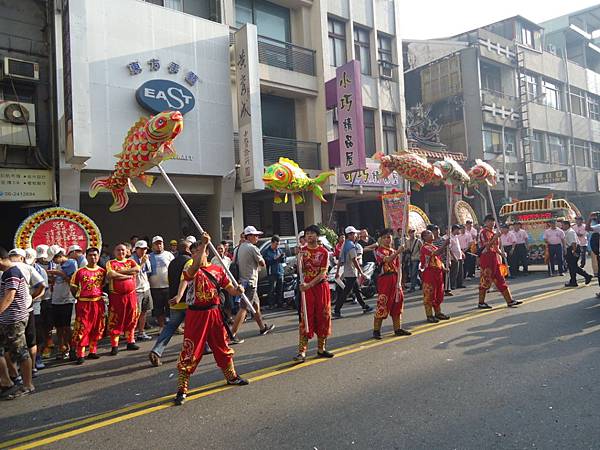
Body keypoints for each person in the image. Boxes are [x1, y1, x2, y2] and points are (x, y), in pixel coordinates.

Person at [173, 232, 248, 406]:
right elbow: (194, 267)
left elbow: (230, 289)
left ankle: (231, 376)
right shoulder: (189, 269)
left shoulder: (218, 269)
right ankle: (182, 388)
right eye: (194, 252)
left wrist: (239, 290)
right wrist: (204, 245)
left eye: (200, 251)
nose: (197, 254)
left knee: (222, 345)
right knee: (191, 350)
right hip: (195, 315)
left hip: (214, 313)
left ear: (208, 253)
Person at [293, 225, 333, 361]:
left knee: (323, 316)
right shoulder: (302, 251)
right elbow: (299, 269)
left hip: (320, 288)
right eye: (307, 234)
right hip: (306, 291)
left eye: (312, 233)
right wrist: (297, 256)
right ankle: (301, 352)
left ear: (317, 236)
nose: (309, 236)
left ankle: (321, 349)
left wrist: (309, 284)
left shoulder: (324, 252)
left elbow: (323, 273)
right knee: (306, 319)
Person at [149, 240, 192, 367]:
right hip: (187, 300)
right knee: (195, 327)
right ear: (189, 250)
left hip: (174, 301)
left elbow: (169, 280)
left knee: (170, 327)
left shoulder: (172, 262)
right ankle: (196, 350)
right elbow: (185, 279)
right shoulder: (189, 262)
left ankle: (156, 351)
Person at [0, 247, 35, 400]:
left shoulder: (12, 272)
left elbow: (10, 295)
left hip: (14, 319)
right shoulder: (7, 273)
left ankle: (28, 385)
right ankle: (7, 380)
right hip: (7, 319)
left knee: (20, 352)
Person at [230, 226, 275, 341]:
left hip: (241, 282)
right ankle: (232, 334)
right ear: (248, 236)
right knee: (244, 308)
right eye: (255, 235)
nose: (257, 237)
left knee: (255, 306)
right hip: (249, 282)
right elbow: (262, 263)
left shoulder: (237, 248)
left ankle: (262, 327)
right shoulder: (252, 248)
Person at [6, 249, 45, 381]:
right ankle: (32, 367)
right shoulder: (28, 268)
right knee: (30, 340)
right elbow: (42, 285)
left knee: (10, 344)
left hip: (10, 312)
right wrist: (32, 297)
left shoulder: (6, 269)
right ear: (22, 258)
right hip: (27, 308)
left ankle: (16, 373)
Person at [69, 247, 107, 364]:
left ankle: (92, 351)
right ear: (86, 256)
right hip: (84, 303)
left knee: (97, 326)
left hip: (98, 302)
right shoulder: (80, 272)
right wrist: (78, 297)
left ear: (98, 256)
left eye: (95, 255)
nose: (93, 257)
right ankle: (80, 354)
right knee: (83, 327)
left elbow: (104, 284)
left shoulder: (102, 271)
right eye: (90, 255)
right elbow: (73, 286)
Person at [372, 228, 411, 339]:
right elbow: (387, 260)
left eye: (389, 237)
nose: (387, 239)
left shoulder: (394, 251)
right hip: (385, 280)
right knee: (383, 303)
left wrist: (399, 282)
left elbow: (399, 268)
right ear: (381, 239)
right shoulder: (379, 250)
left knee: (397, 303)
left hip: (395, 279)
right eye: (384, 237)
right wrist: (398, 251)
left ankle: (397, 328)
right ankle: (376, 330)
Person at [478, 215, 522, 309]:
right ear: (485, 222)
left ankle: (509, 301)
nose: (492, 223)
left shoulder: (494, 232)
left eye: (493, 221)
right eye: (490, 221)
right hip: (486, 259)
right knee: (485, 280)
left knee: (501, 279)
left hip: (495, 259)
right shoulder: (483, 232)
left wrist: (501, 253)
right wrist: (495, 237)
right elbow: (487, 246)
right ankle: (481, 302)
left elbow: (495, 247)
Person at [106, 243, 140, 354]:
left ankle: (131, 341)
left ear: (127, 251)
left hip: (131, 295)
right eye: (118, 250)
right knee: (115, 318)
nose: (121, 252)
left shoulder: (130, 261)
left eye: (123, 250)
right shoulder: (111, 263)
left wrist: (119, 273)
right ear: (114, 252)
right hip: (116, 296)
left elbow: (137, 269)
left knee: (132, 316)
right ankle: (114, 345)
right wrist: (128, 275)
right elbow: (111, 274)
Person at [333, 226, 373, 318]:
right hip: (351, 272)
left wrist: (338, 271)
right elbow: (355, 260)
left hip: (348, 271)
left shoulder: (344, 244)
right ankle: (337, 310)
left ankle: (364, 306)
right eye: (354, 234)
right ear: (350, 235)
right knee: (346, 292)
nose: (356, 235)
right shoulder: (351, 246)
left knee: (356, 290)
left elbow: (340, 259)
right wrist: (362, 273)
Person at [46, 246, 77, 359]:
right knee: (58, 327)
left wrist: (61, 274)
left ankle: (72, 349)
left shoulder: (71, 263)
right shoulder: (58, 265)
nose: (53, 261)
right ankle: (63, 349)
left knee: (67, 326)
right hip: (56, 300)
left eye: (54, 258)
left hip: (67, 299)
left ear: (59, 256)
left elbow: (73, 282)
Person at [420, 229, 450, 323]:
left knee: (439, 293)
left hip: (438, 273)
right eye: (428, 233)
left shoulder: (433, 246)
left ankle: (438, 312)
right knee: (429, 293)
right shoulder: (425, 247)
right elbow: (436, 253)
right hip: (429, 272)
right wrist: (445, 245)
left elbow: (438, 259)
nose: (431, 234)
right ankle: (429, 315)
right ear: (424, 237)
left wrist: (443, 267)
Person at [149, 236, 175, 330]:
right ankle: (161, 327)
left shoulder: (169, 255)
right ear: (153, 246)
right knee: (158, 308)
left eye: (160, 243)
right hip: (155, 287)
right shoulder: (148, 257)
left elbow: (174, 269)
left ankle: (173, 326)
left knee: (171, 307)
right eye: (156, 244)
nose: (159, 245)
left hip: (168, 286)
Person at [131, 240, 153, 341]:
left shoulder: (146, 258)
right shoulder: (131, 260)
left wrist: (145, 262)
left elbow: (148, 272)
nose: (144, 251)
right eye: (141, 249)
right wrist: (143, 262)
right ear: (136, 249)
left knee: (144, 312)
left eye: (145, 249)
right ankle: (130, 335)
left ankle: (141, 332)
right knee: (136, 313)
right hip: (136, 290)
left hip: (146, 287)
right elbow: (134, 272)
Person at [562, 220, 592, 287]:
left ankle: (586, 276)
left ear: (567, 225)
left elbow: (574, 243)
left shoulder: (570, 232)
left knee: (573, 266)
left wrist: (574, 251)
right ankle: (574, 281)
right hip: (570, 249)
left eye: (563, 225)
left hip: (573, 249)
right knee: (572, 266)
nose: (562, 226)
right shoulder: (566, 232)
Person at [261, 236, 285, 310]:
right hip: (272, 272)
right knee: (271, 289)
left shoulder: (279, 250)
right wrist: (275, 259)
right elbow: (266, 261)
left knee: (280, 289)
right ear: (272, 243)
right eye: (276, 244)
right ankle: (271, 304)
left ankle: (279, 303)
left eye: (278, 244)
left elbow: (283, 261)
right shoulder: (267, 251)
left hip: (280, 271)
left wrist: (282, 257)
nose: (277, 246)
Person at [448, 225, 465, 289]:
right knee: (454, 272)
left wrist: (462, 253)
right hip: (454, 257)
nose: (459, 231)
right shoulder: (450, 238)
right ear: (455, 229)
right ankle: (452, 285)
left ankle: (459, 284)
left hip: (459, 256)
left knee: (460, 271)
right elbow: (449, 249)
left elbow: (458, 246)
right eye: (458, 229)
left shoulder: (456, 237)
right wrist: (453, 256)